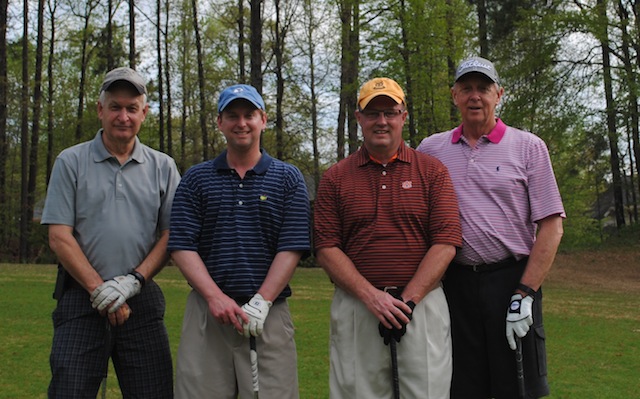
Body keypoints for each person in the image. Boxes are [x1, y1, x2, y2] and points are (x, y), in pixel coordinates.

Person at [416, 56, 565, 398]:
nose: (475, 97)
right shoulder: (430, 149)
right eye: (466, 88)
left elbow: (551, 225)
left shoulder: (528, 147)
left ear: (499, 94)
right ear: (454, 95)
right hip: (454, 285)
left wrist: (525, 292)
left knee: (519, 387)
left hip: (511, 282)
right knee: (461, 387)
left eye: (483, 88)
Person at [313, 77, 462, 398]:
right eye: (372, 113)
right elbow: (326, 247)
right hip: (358, 306)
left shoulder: (432, 172)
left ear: (403, 116)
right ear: (359, 118)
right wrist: (372, 297)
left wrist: (407, 302)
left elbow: (446, 242)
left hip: (421, 307)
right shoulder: (336, 177)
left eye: (390, 112)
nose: (382, 121)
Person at [41, 67, 180, 398]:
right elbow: (59, 236)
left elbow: (171, 235)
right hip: (80, 298)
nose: (123, 116)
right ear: (100, 110)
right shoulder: (70, 161)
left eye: (132, 108)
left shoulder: (163, 167)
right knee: (69, 391)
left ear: (144, 113)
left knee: (154, 393)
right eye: (115, 107)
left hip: (141, 299)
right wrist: (100, 289)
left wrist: (131, 282)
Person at [168, 84, 311, 399]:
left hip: (269, 315)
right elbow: (181, 245)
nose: (241, 122)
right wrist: (215, 297)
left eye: (249, 114)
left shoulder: (288, 178)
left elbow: (292, 245)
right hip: (208, 314)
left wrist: (262, 301)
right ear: (219, 123)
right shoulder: (196, 179)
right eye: (232, 115)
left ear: (263, 119)